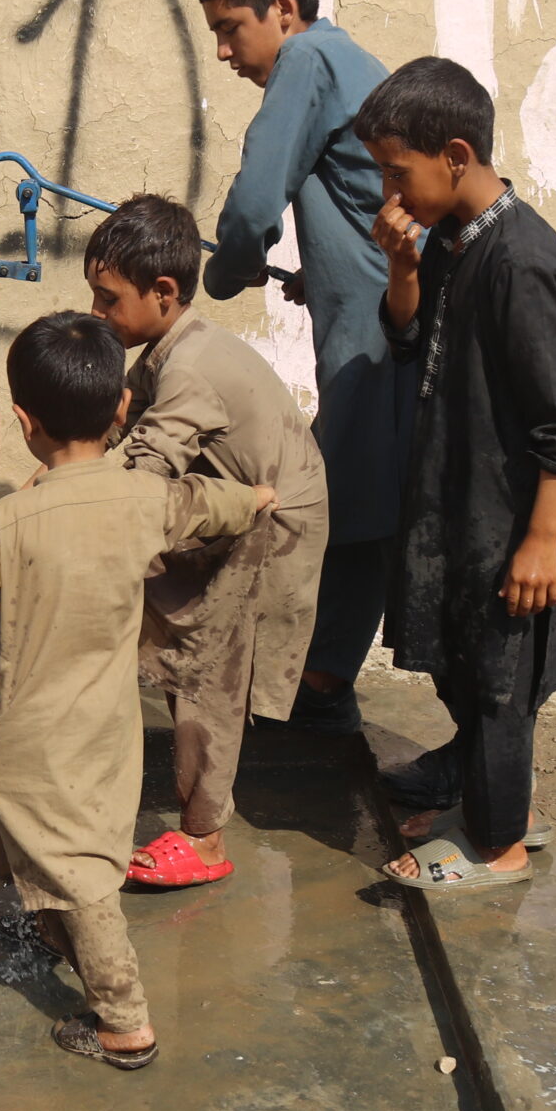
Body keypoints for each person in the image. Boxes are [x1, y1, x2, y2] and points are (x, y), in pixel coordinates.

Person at [0, 311, 274, 1067]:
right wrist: (256, 499)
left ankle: (124, 1022)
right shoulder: (145, 498)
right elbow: (207, 503)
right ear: (123, 408)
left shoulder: (11, 522)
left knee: (78, 873)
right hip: (106, 732)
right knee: (60, 847)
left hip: (32, 741)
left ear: (24, 421)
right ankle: (51, 926)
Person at [354, 56, 556, 891]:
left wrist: (542, 539)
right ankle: (485, 794)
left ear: (455, 156)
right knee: (462, 659)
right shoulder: (455, 242)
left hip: (511, 515)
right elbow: (408, 340)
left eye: (398, 172)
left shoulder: (522, 262)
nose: (388, 193)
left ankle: (499, 842)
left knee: (501, 678)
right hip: (461, 496)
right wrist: (402, 266)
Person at [194, 0, 413, 733]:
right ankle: (322, 674)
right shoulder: (345, 58)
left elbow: (255, 201)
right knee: (359, 489)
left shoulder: (307, 60)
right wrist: (315, 273)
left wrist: (223, 271)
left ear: (282, 9)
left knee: (349, 496)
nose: (224, 52)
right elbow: (354, 204)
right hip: (374, 316)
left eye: (230, 28)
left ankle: (320, 682)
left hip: (374, 333)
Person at [82, 195, 328, 889]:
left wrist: (49, 510)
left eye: (108, 299)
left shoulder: (189, 368)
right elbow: (109, 434)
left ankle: (205, 838)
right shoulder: (171, 348)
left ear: (163, 292)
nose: (98, 313)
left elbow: (141, 471)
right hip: (238, 507)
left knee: (207, 668)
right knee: (159, 618)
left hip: (272, 528)